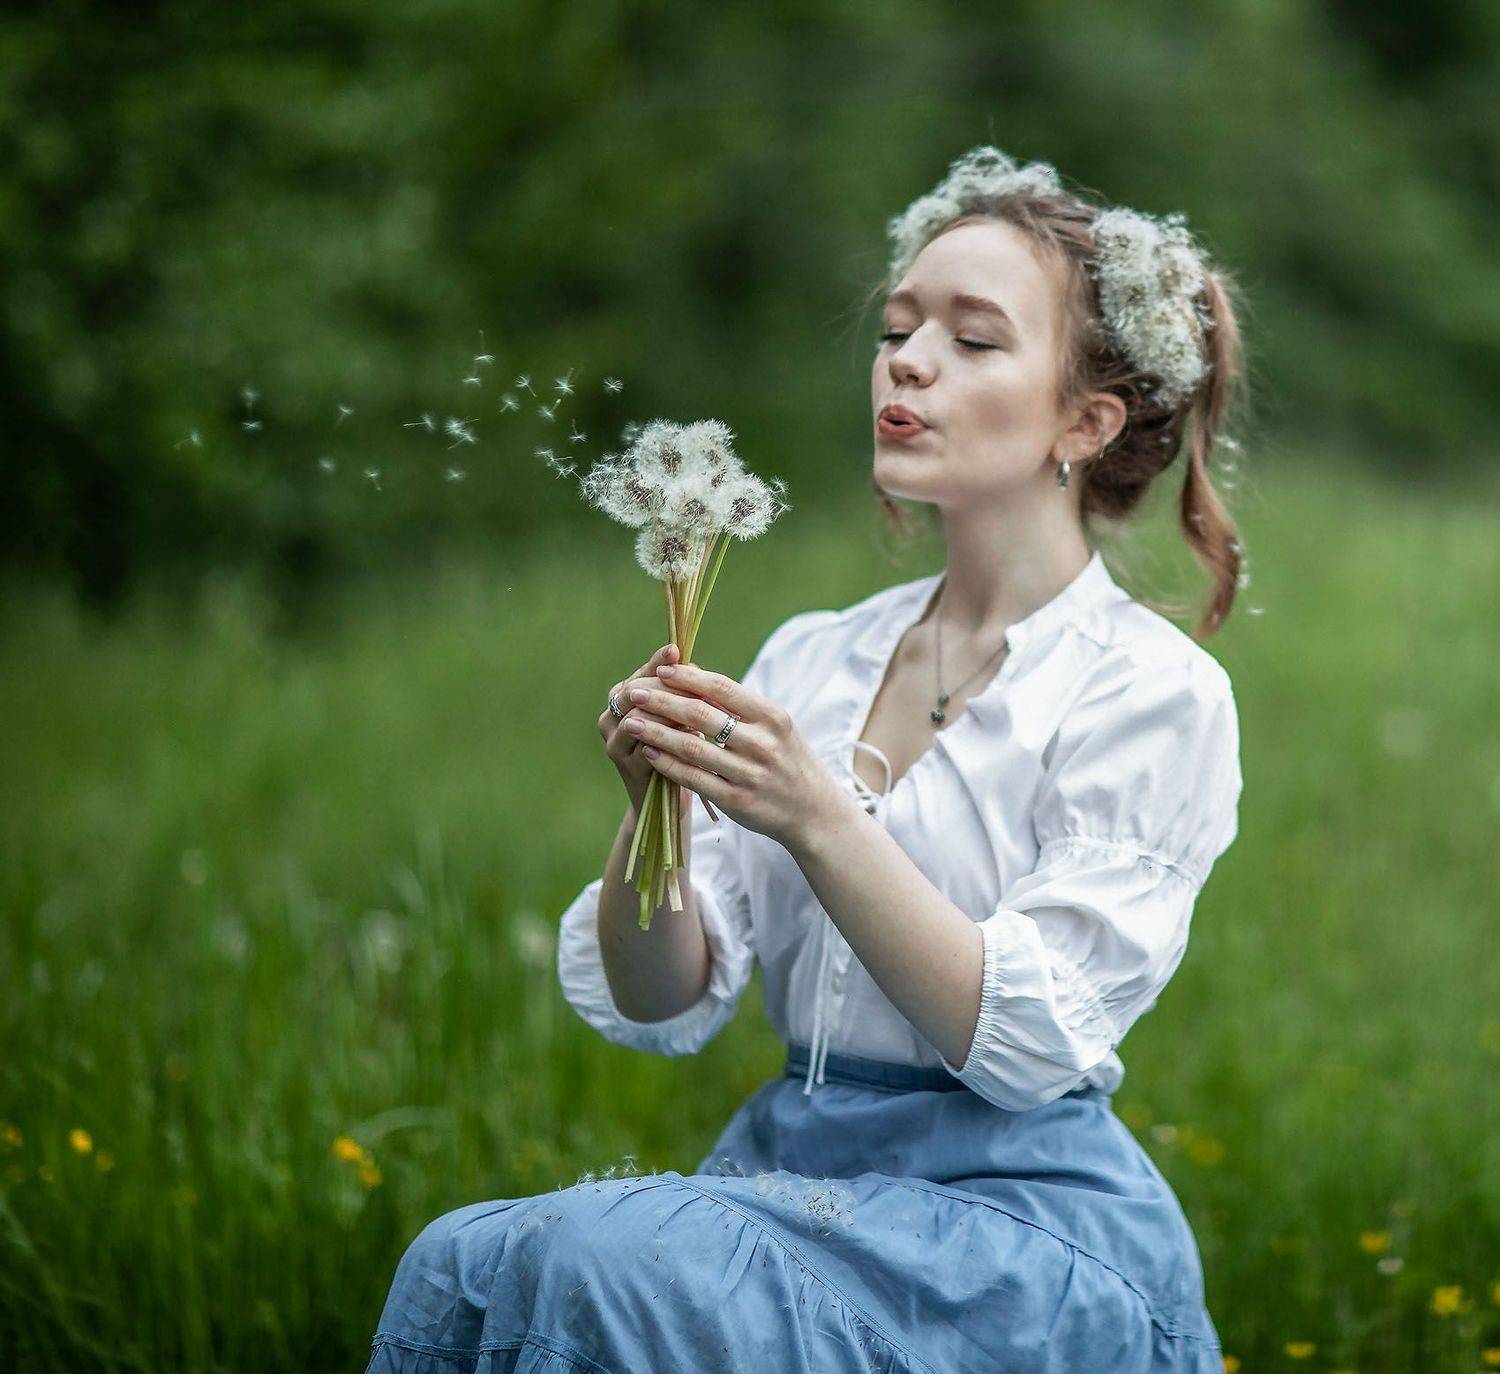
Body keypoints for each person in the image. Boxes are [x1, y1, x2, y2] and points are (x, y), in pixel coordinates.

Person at [365, 145, 1249, 1373]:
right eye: (900, 327)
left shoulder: (1149, 693)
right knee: (464, 1263)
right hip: (799, 1176)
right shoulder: (816, 658)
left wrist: (818, 817)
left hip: (1010, 1232)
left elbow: (1031, 1040)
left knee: (599, 1267)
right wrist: (651, 812)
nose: (908, 358)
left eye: (974, 338)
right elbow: (657, 993)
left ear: (1084, 422)